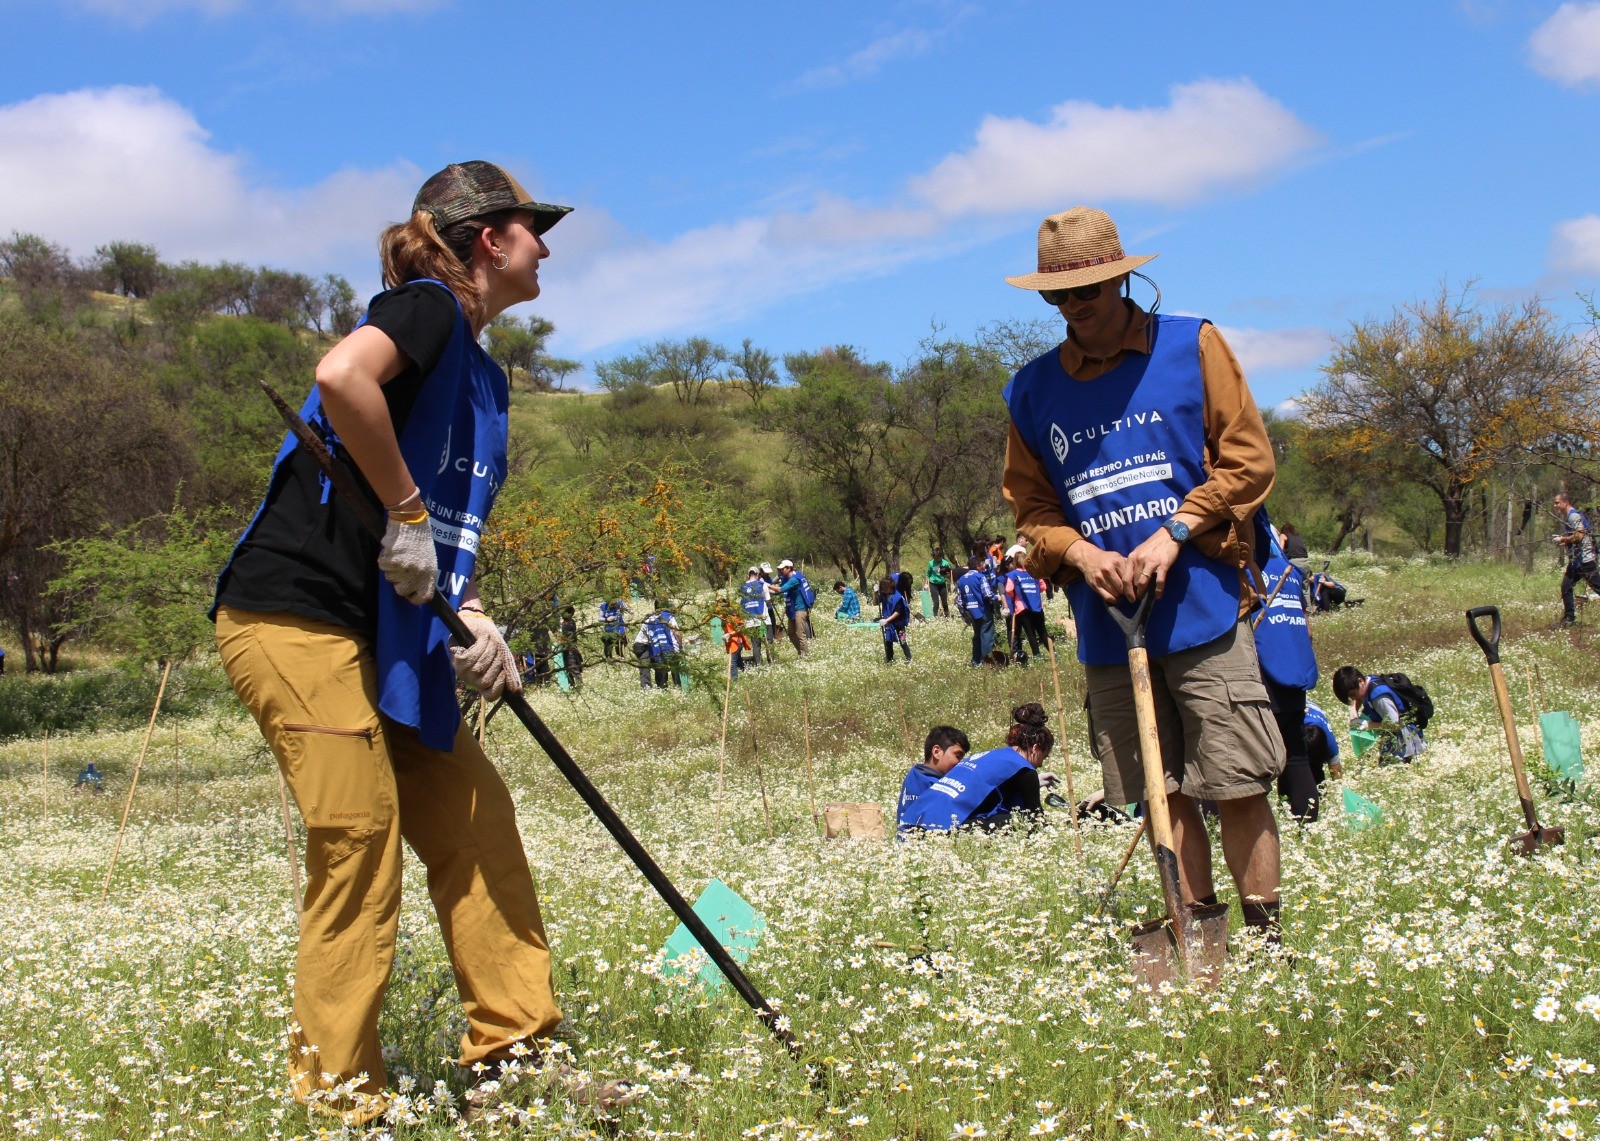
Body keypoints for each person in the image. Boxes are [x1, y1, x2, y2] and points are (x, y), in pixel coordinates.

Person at [209, 161, 600, 1122]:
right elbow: (342, 379)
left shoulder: (484, 376)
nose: (546, 249)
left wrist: (475, 616)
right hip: (296, 616)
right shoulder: (427, 307)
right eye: (532, 229)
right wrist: (408, 512)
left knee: (476, 817)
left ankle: (516, 1058)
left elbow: (436, 539)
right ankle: (340, 1099)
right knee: (360, 833)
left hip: (391, 632)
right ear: (487, 240)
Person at [1000, 206, 1285, 946]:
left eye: (1087, 290)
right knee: (1162, 793)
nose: (1073, 306)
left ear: (1122, 280)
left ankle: (1267, 943)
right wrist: (1080, 554)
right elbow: (1031, 507)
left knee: (1237, 781)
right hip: (1109, 628)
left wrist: (1176, 530)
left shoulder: (1193, 344)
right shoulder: (1031, 390)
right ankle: (1198, 938)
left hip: (1202, 610)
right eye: (1057, 295)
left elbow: (1249, 461)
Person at [897, 704, 1054, 832]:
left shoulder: (990, 756)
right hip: (940, 828)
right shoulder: (1025, 769)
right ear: (1035, 748)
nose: (1041, 764)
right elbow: (1036, 819)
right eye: (1044, 757)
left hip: (914, 823)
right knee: (1023, 822)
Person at [1252, 539, 1320, 821]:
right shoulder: (1288, 570)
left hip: (1264, 668)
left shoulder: (1248, 569)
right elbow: (1307, 628)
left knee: (1245, 755)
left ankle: (1223, 825)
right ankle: (1306, 820)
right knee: (1295, 751)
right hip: (1294, 665)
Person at [1332, 666, 1425, 763]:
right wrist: (1354, 709)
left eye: (1353, 695)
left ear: (1360, 681)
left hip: (1406, 742)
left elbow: (1395, 725)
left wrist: (1368, 725)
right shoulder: (1368, 680)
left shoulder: (1379, 697)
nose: (1353, 699)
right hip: (1393, 739)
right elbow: (1359, 695)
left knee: (1393, 767)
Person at [896, 725, 970, 833]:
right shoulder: (934, 784)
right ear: (936, 752)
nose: (960, 763)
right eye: (958, 755)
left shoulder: (915, 774)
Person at [1554, 489, 1600, 627]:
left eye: (1557, 503)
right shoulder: (1569, 516)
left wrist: (1563, 539)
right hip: (1576, 561)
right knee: (1566, 586)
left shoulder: (1573, 516)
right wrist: (1566, 542)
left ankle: (1569, 618)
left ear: (1565, 502)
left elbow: (1580, 535)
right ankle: (1569, 619)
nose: (1555, 506)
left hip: (1585, 561)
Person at [954, 554, 997, 666]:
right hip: (983, 610)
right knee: (986, 635)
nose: (983, 567)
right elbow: (987, 594)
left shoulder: (961, 580)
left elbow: (959, 602)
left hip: (971, 613)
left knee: (977, 635)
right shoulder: (980, 577)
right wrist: (998, 597)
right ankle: (987, 661)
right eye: (982, 565)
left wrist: (965, 615)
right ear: (977, 565)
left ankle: (975, 661)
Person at [1004, 556, 1047, 662]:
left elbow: (1008, 589)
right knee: (1042, 631)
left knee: (1031, 633)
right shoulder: (1034, 572)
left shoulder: (1013, 574)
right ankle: (1053, 653)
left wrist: (1015, 596)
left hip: (1022, 607)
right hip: (1037, 605)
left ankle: (1037, 656)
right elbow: (1043, 587)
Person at [777, 559, 814, 656]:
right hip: (792, 610)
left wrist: (766, 585)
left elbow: (781, 589)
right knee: (791, 633)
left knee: (800, 633)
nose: (781, 571)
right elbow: (777, 590)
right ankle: (801, 652)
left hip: (800, 609)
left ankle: (805, 655)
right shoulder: (787, 578)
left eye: (783, 569)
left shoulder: (795, 579)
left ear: (789, 568)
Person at [738, 567, 772, 666]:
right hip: (763, 620)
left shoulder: (743, 587)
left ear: (748, 575)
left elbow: (742, 605)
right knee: (768, 641)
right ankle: (771, 661)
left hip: (750, 622)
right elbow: (768, 601)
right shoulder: (762, 585)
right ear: (757, 575)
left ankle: (758, 664)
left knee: (756, 645)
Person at [644, 603, 682, 689]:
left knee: (661, 671)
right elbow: (677, 633)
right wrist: (681, 646)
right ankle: (678, 688)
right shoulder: (669, 617)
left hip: (657, 649)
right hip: (671, 648)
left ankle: (662, 689)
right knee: (675, 670)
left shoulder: (648, 620)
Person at [875, 575, 912, 664]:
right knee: (888, 641)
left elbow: (898, 612)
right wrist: (875, 593)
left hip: (899, 623)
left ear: (891, 586)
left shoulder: (898, 597)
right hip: (888, 624)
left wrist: (886, 620)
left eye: (886, 588)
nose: (884, 590)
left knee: (903, 641)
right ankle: (889, 660)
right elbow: (875, 603)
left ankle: (909, 659)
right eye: (882, 588)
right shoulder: (884, 595)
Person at [1303, 699, 1339, 784]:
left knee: (1316, 772)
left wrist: (1337, 787)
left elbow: (1337, 775)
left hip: (1313, 713)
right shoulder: (1293, 727)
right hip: (1294, 710)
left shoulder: (1330, 744)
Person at [926, 548, 954, 618]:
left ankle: (947, 615)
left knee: (944, 601)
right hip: (933, 584)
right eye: (934, 557)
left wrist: (952, 583)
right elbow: (928, 574)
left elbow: (949, 573)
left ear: (940, 556)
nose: (936, 559)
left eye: (937, 557)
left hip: (942, 584)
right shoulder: (931, 563)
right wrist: (926, 584)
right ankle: (935, 616)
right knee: (936, 602)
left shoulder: (945, 563)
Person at [598, 596, 628, 662]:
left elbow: (628, 610)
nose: (613, 605)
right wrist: (606, 619)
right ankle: (608, 657)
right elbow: (599, 618)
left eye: (614, 603)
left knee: (620, 641)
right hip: (608, 627)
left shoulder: (620, 603)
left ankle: (620, 655)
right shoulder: (603, 606)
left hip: (619, 626)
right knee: (608, 642)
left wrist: (629, 616)